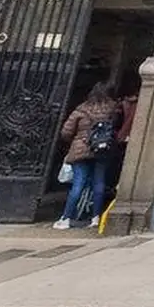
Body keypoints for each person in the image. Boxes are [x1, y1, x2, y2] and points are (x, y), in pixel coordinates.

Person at [55, 82, 120, 229]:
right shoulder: (112, 109)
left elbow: (66, 132)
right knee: (99, 183)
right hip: (102, 150)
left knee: (78, 183)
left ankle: (66, 218)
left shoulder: (82, 109)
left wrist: (76, 139)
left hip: (81, 149)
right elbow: (116, 126)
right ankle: (95, 218)